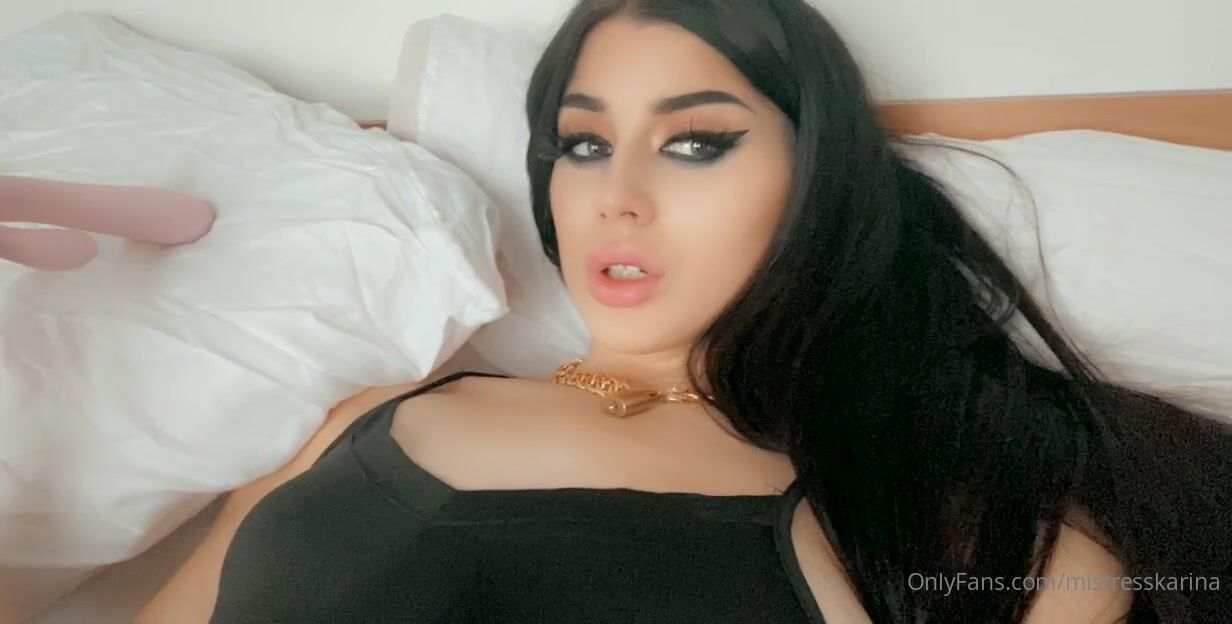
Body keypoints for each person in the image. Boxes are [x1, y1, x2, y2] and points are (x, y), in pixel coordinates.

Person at [138, 0, 1232, 622]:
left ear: (815, 180)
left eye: (696, 142)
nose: (614, 194)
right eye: (581, 143)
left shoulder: (965, 519)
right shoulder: (365, 416)